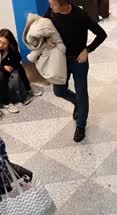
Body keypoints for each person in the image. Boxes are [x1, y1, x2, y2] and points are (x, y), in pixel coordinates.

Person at [45, 0, 107, 142]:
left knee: (82, 92)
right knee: (58, 91)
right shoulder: (51, 12)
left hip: (79, 61)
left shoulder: (81, 15)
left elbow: (101, 34)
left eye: (53, 4)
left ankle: (81, 126)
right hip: (61, 61)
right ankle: (76, 103)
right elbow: (44, 27)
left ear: (64, 5)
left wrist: (87, 50)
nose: (50, 6)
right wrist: (47, 40)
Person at [0, 29, 42, 114]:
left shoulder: (9, 48)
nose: (0, 45)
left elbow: (17, 59)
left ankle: (28, 88)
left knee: (18, 66)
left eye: (5, 43)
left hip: (2, 67)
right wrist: (3, 68)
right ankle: (6, 102)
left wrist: (12, 48)